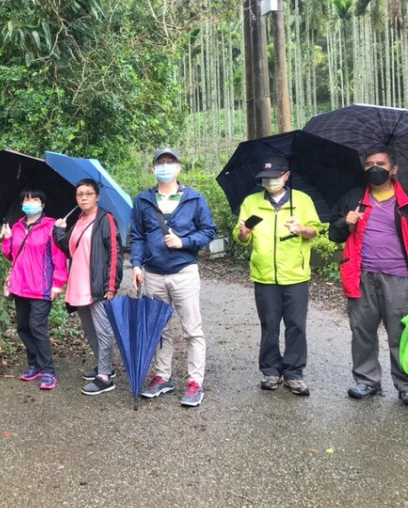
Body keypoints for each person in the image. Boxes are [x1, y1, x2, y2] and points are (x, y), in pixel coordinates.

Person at [131, 147, 216, 407]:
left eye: (170, 162)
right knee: (159, 330)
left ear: (179, 168)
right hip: (153, 273)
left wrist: (184, 242)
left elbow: (208, 231)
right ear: (153, 169)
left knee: (192, 329)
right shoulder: (143, 200)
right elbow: (137, 236)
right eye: (160, 163)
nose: (165, 167)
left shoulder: (194, 198)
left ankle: (195, 382)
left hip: (184, 272)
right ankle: (162, 376)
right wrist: (135, 265)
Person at [232, 156, 321, 396]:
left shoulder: (302, 200)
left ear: (286, 175)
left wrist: (301, 229)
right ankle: (271, 370)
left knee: (296, 326)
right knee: (269, 325)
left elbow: (315, 229)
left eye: (274, 178)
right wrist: (243, 232)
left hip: (296, 275)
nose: (270, 183)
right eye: (265, 179)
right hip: (264, 275)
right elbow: (241, 237)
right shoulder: (251, 202)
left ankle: (293, 373)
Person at [328, 147, 408, 405]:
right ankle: (366, 381)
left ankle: (405, 384)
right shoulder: (352, 198)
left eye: (380, 163)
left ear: (393, 168)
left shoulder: (405, 200)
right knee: (362, 330)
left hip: (400, 276)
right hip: (361, 274)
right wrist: (345, 222)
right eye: (369, 163)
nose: (374, 168)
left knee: (401, 333)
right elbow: (334, 234)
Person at [54, 178, 123, 395]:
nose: (84, 197)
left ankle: (104, 377)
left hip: (97, 285)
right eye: (80, 194)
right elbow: (70, 249)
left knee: (103, 330)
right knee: (90, 329)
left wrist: (111, 285)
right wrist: (59, 232)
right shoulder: (78, 220)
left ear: (97, 196)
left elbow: (115, 253)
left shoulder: (105, 219)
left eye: (89, 193)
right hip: (79, 285)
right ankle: (106, 368)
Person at [1, 189, 68, 391]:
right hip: (20, 286)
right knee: (23, 327)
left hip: (41, 287)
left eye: (35, 199)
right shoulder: (17, 226)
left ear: (43, 204)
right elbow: (12, 256)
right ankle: (34, 365)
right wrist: (6, 239)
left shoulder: (51, 227)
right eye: (27, 199)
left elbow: (59, 258)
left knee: (37, 327)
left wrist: (58, 283)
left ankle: (48, 371)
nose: (30, 202)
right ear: (21, 203)